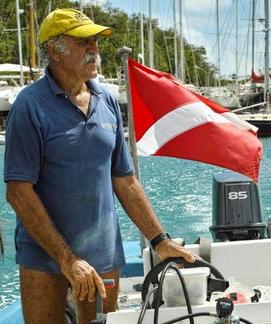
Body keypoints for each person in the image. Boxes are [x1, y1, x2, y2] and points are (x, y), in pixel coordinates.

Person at [3, 8, 197, 324]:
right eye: (82, 42)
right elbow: (18, 193)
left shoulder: (106, 100)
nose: (94, 49)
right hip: (44, 257)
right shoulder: (30, 106)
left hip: (102, 253)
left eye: (95, 41)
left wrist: (160, 241)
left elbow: (126, 181)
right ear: (54, 49)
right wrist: (67, 260)